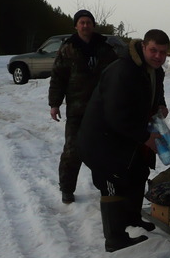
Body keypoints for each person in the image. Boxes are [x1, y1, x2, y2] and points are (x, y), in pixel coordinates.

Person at [77, 29, 170, 252]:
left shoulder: (155, 72)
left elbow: (155, 92)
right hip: (101, 139)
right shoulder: (123, 70)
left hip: (126, 137)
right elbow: (115, 114)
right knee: (112, 184)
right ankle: (115, 239)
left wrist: (160, 104)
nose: (158, 56)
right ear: (143, 47)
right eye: (153, 50)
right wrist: (145, 137)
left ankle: (132, 219)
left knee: (138, 173)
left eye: (163, 52)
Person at [48, 10, 118, 204]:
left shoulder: (105, 48)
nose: (85, 25)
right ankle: (67, 189)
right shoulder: (68, 48)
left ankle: (108, 189)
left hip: (101, 111)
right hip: (77, 111)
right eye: (81, 22)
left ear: (93, 25)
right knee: (72, 151)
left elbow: (117, 75)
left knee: (104, 152)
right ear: (76, 26)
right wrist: (54, 104)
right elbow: (58, 78)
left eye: (88, 22)